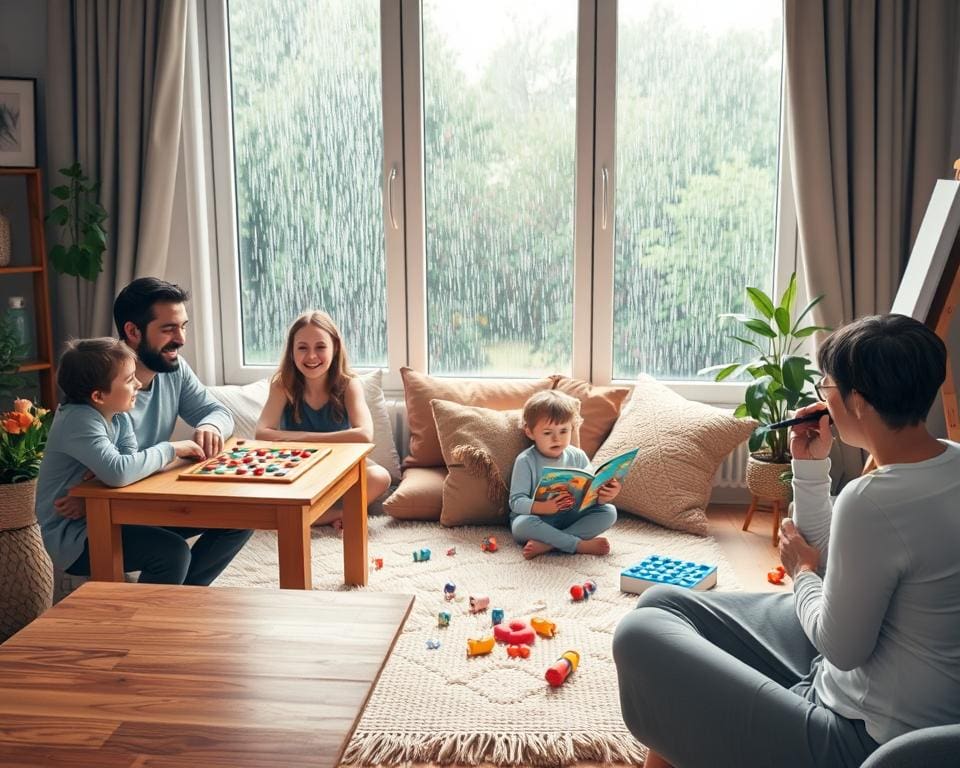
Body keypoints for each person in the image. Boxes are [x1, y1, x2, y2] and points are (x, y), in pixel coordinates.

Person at [613, 314, 960, 768]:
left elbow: (840, 645)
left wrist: (800, 573)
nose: (822, 397)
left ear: (856, 402)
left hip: (860, 736)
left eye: (826, 386)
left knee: (640, 633)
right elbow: (841, 567)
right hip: (884, 689)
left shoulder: (872, 499)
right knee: (664, 602)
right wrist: (811, 470)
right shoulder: (948, 462)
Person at [35, 338, 239, 584]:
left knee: (238, 517)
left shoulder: (117, 416)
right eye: (129, 379)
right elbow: (121, 472)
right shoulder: (78, 421)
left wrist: (109, 476)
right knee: (170, 552)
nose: (139, 384)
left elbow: (130, 467)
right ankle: (150, 617)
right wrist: (171, 449)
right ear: (99, 395)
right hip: (76, 536)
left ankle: (181, 599)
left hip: (114, 511)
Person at [255, 310, 392, 526]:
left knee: (381, 477)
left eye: (320, 347)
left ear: (335, 347)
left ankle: (320, 515)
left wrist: (301, 439)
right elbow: (262, 433)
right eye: (302, 348)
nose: (311, 356)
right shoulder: (282, 385)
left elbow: (365, 435)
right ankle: (336, 515)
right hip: (298, 468)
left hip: (342, 467)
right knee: (261, 494)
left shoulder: (349, 384)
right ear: (292, 351)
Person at [508, 390, 620, 559]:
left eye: (563, 431)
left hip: (570, 517)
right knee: (520, 525)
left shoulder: (578, 456)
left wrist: (604, 495)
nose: (557, 439)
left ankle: (548, 544)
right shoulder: (525, 461)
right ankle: (577, 544)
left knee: (609, 512)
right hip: (539, 520)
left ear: (572, 428)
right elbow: (515, 502)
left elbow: (590, 492)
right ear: (530, 432)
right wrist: (544, 507)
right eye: (547, 433)